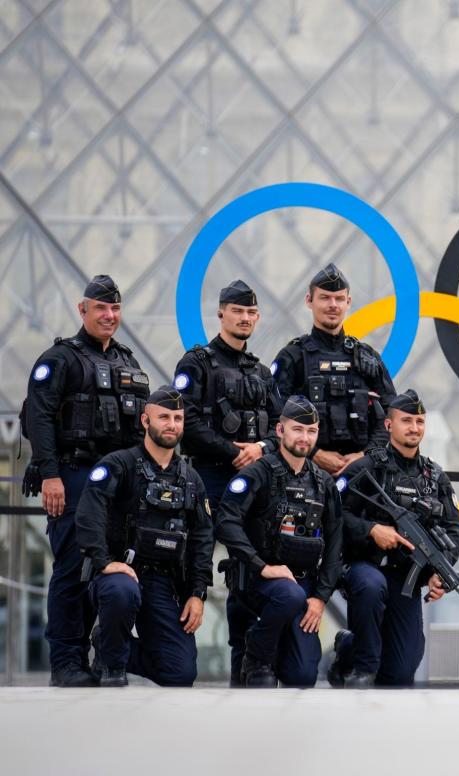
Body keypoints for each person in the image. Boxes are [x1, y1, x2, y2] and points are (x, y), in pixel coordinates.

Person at [21, 274, 150, 687]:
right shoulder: (59, 359)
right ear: (83, 310)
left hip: (115, 487)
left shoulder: (128, 363)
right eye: (101, 308)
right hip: (73, 477)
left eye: (115, 308)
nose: (109, 315)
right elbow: (37, 418)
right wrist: (50, 475)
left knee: (104, 570)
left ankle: (98, 659)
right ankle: (66, 663)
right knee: (71, 570)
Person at [173, 278, 281, 685]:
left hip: (251, 485)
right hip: (208, 479)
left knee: (247, 572)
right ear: (221, 313)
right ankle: (177, 655)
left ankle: (246, 662)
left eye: (252, 313)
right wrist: (234, 452)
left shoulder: (261, 371)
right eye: (238, 311)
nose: (246, 318)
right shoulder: (197, 363)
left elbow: (283, 425)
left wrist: (262, 448)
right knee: (191, 564)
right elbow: (189, 423)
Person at [74, 387, 213, 687]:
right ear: (145, 421)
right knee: (121, 591)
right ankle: (112, 667)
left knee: (180, 674)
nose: (172, 424)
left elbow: (203, 539)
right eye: (163, 417)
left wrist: (198, 592)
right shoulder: (119, 465)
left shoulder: (191, 478)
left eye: (177, 418)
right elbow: (89, 514)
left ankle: (108, 644)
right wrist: (103, 562)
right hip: (120, 575)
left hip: (164, 582)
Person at [328, 389, 459, 688]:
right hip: (364, 566)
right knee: (371, 586)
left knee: (400, 675)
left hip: (406, 577)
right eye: (406, 421)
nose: (414, 428)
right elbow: (334, 515)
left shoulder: (435, 477)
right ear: (389, 425)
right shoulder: (365, 468)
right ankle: (362, 667)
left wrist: (440, 573)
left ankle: (349, 647)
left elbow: (452, 529)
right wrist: (371, 530)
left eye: (419, 421)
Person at [213, 395, 343, 687]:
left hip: (302, 586)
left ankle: (268, 652)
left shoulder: (324, 483)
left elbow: (335, 545)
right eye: (297, 429)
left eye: (311, 431)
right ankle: (256, 657)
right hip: (257, 581)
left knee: (303, 677)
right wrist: (262, 566)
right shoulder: (257, 474)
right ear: (281, 431)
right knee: (288, 596)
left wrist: (320, 598)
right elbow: (226, 522)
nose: (304, 437)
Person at [271, 263, 395, 477]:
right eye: (325, 298)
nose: (333, 305)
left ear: (348, 302)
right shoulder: (292, 356)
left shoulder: (367, 358)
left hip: (364, 476)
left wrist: (365, 455)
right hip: (305, 474)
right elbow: (274, 415)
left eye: (339, 299)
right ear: (309, 301)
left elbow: (392, 415)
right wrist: (314, 453)